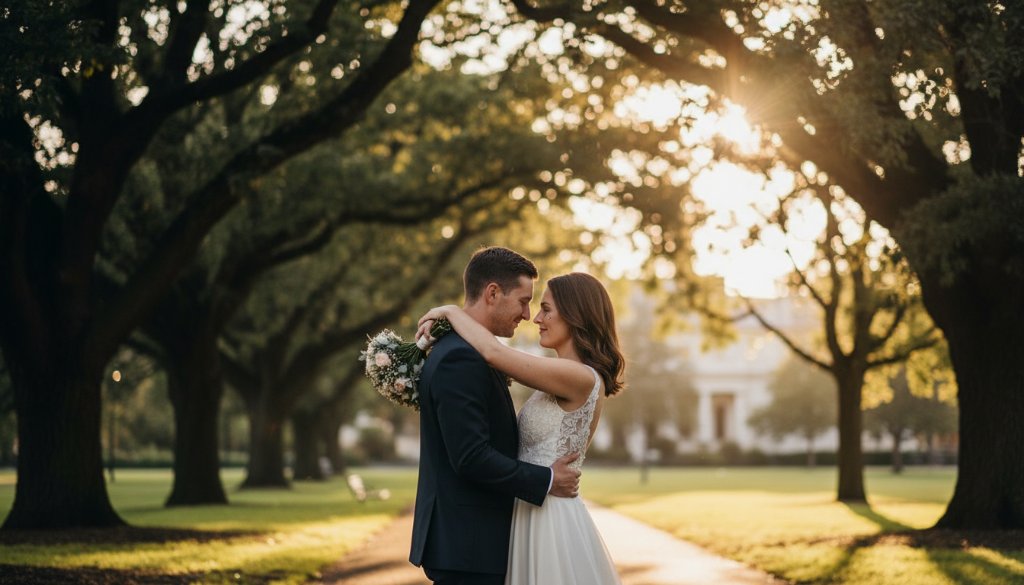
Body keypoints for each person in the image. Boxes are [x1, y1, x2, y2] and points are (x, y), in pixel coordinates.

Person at [417, 270, 624, 585]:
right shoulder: (557, 375)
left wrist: (450, 312)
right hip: (528, 508)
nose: (536, 318)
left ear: (576, 316)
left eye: (547, 309)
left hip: (549, 517)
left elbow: (493, 352)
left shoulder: (580, 377)